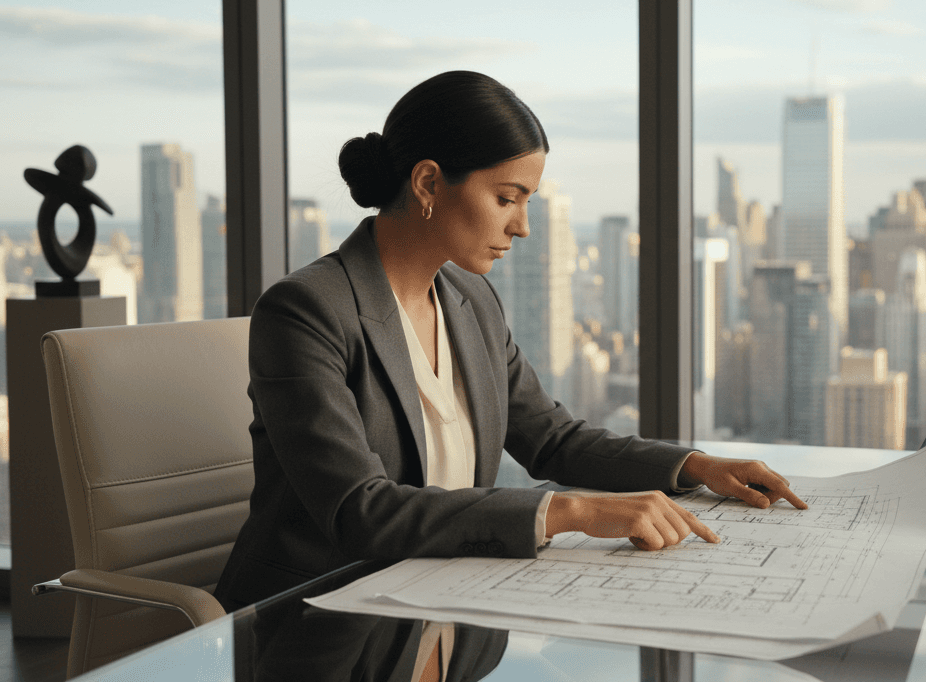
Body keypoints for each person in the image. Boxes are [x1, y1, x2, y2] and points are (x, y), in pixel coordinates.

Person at [215, 71, 806, 614]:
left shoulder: (471, 301)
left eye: (527, 201)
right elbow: (359, 511)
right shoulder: (306, 311)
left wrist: (695, 466)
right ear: (427, 182)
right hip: (315, 616)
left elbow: (551, 440)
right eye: (506, 198)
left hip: (441, 598)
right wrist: (570, 511)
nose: (522, 226)